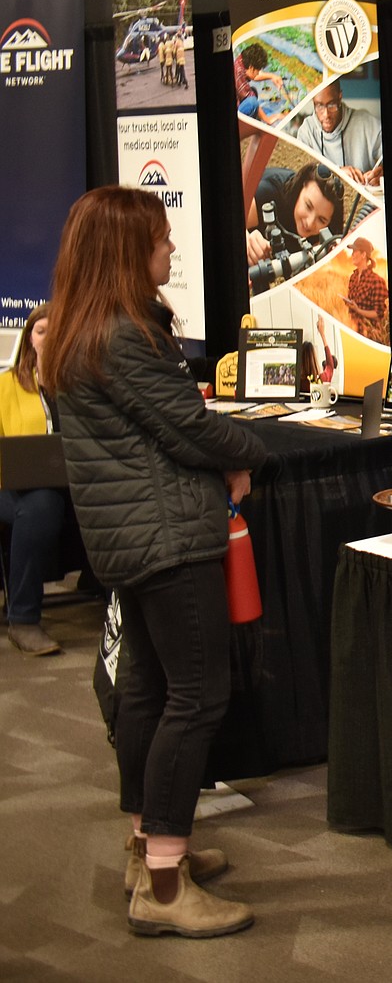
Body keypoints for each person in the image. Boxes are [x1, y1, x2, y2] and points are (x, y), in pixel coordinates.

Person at [38, 186, 268, 938]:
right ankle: (165, 887)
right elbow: (189, 428)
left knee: (146, 690)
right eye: (162, 240)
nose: (171, 251)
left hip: (127, 539)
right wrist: (250, 452)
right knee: (195, 696)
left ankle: (149, 847)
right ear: (126, 252)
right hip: (169, 537)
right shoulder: (121, 333)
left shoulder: (73, 328)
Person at [0, 305, 66, 655]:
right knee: (40, 504)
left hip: (70, 484)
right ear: (29, 339)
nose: (48, 337)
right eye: (41, 331)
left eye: (56, 331)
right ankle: (23, 619)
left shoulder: (75, 383)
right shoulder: (6, 386)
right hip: (9, 487)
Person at [245, 161, 345, 266]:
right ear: (302, 186)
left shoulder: (330, 230)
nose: (309, 223)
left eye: (321, 220)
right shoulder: (271, 192)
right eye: (308, 206)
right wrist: (246, 239)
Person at [295, 81, 383, 186]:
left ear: (340, 97)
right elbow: (300, 176)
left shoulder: (367, 123)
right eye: (319, 106)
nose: (326, 114)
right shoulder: (306, 131)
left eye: (331, 105)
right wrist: (336, 172)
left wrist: (381, 174)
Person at [343, 236, 389, 344]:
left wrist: (358, 310)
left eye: (355, 251)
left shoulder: (377, 281)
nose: (352, 255)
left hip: (369, 337)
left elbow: (379, 314)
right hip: (352, 332)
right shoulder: (353, 278)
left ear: (363, 254)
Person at [234, 42, 284, 125]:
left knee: (253, 92)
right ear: (251, 67)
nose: (258, 73)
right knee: (252, 102)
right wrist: (267, 119)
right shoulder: (238, 73)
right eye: (258, 70)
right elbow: (250, 96)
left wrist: (272, 76)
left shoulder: (242, 61)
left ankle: (253, 116)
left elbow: (253, 75)